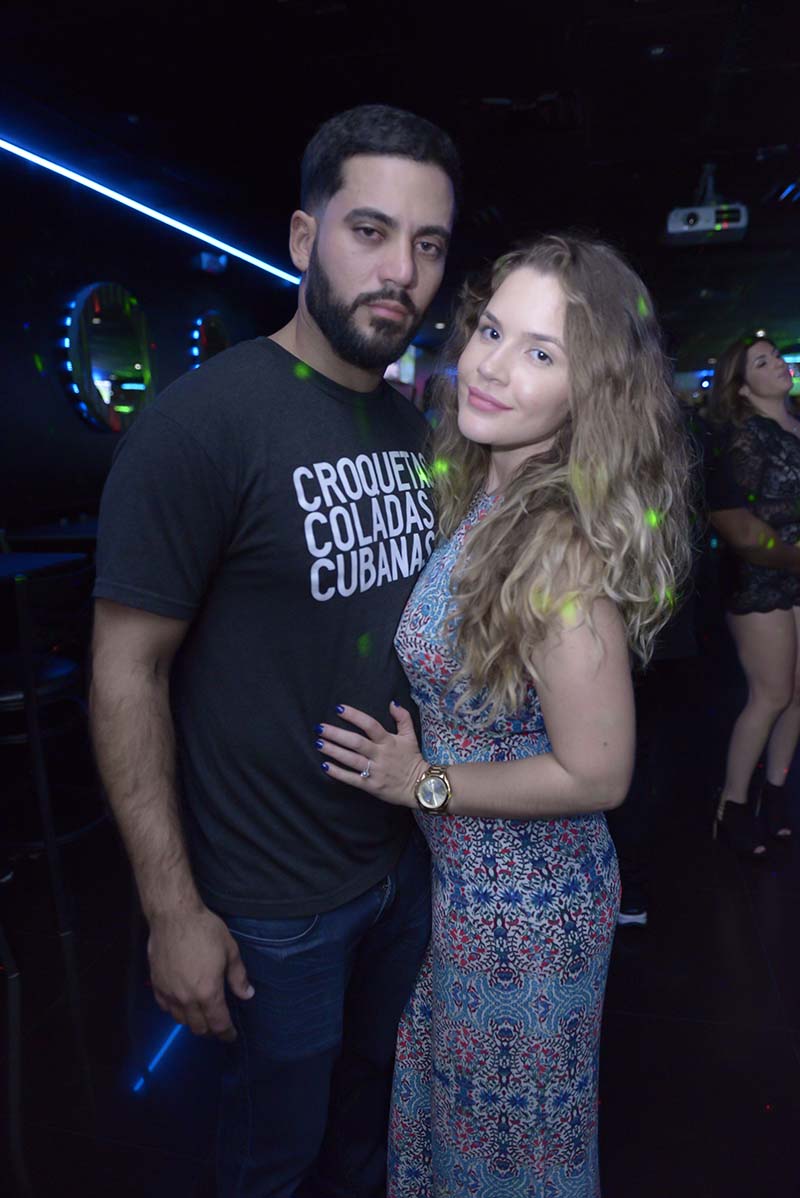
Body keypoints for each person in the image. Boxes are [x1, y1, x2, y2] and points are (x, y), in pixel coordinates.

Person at [89, 104, 459, 1198]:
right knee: (271, 1153)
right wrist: (172, 910)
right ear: (304, 238)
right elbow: (126, 672)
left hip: (398, 866)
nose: (400, 272)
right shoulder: (201, 425)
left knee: (367, 1127)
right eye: (370, 232)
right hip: (271, 903)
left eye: (427, 244)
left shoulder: (412, 433)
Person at [315, 234, 691, 1196]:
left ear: (588, 391)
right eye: (490, 331)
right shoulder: (487, 497)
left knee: (510, 1158)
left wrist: (423, 782)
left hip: (530, 910)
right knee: (464, 1138)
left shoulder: (558, 543)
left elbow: (599, 772)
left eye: (540, 352)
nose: (491, 366)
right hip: (471, 892)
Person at [706, 335, 800, 855]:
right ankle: (733, 804)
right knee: (771, 694)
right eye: (763, 362)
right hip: (760, 576)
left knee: (798, 694)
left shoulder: (796, 425)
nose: (779, 365)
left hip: (795, 570)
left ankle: (776, 792)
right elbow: (739, 522)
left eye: (777, 356)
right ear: (742, 388)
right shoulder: (746, 436)